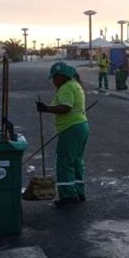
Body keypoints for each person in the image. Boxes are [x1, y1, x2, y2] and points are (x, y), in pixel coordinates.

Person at [36, 62, 89, 207]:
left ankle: (67, 196)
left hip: (71, 128)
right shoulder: (75, 84)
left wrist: (46, 108)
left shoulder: (66, 87)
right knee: (76, 161)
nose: (53, 81)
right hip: (81, 126)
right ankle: (78, 192)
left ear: (61, 76)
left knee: (64, 162)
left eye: (54, 77)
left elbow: (66, 107)